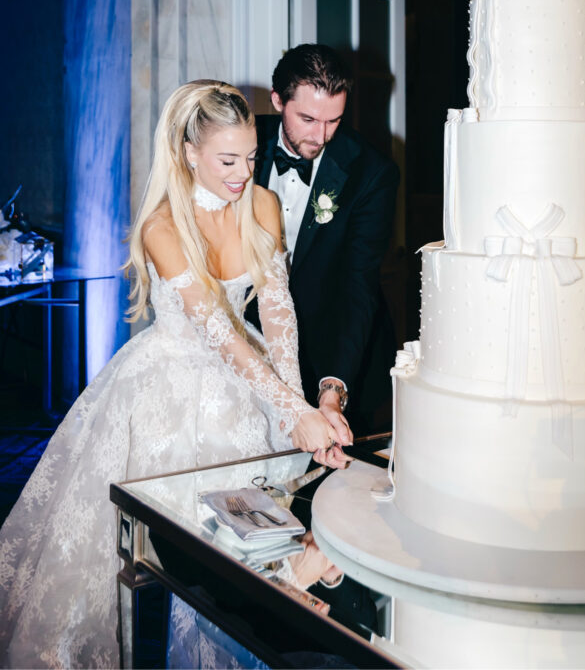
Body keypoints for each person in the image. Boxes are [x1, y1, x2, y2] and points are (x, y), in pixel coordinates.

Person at [0, 80, 345, 670]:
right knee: (178, 558)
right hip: (168, 391)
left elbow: (279, 320)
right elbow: (220, 335)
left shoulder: (262, 206)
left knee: (252, 544)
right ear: (189, 151)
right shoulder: (163, 226)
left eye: (251, 158)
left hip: (249, 382)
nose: (243, 173)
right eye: (227, 160)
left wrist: (299, 411)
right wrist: (290, 410)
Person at [254, 45, 400, 439]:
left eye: (333, 120)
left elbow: (358, 285)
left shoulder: (372, 174)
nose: (321, 136)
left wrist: (333, 388)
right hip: (249, 347)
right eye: (307, 118)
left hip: (332, 352)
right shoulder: (241, 146)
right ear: (277, 100)